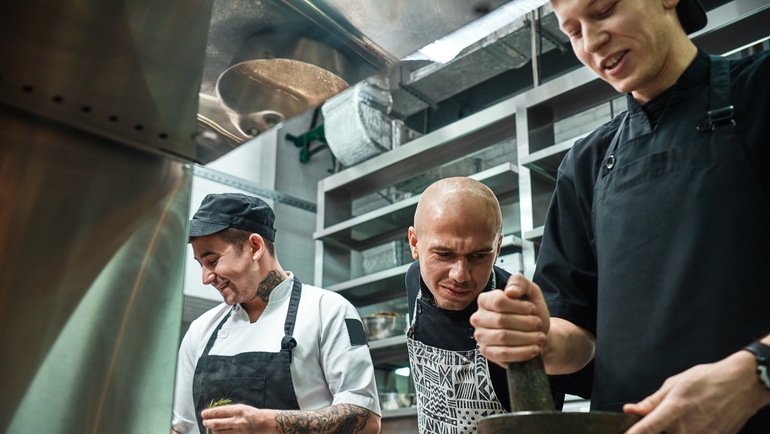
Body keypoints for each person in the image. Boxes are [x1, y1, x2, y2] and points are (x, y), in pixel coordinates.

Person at [470, 0, 770, 432]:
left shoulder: (761, 93)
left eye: (604, 9)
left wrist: (753, 375)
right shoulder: (586, 163)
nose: (592, 42)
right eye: (573, 31)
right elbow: (579, 337)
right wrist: (540, 338)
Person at [171, 193, 381, 434]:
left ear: (255, 247)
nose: (206, 278)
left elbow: (366, 419)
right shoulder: (200, 330)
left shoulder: (331, 310)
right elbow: (182, 428)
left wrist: (266, 423)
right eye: (201, 264)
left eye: (213, 261)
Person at [404, 177, 568, 434]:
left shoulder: (517, 309)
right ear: (415, 244)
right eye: (444, 254)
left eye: (479, 256)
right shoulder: (415, 280)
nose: (460, 275)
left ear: (498, 246)